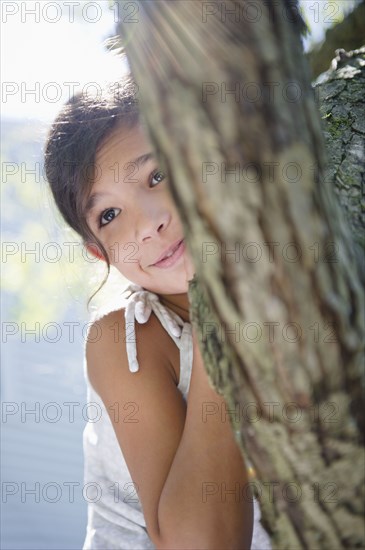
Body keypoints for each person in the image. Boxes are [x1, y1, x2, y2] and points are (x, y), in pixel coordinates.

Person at [44, 77, 272, 550]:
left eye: (158, 175)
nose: (148, 224)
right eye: (109, 215)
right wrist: (220, 323)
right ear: (99, 254)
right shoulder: (125, 339)